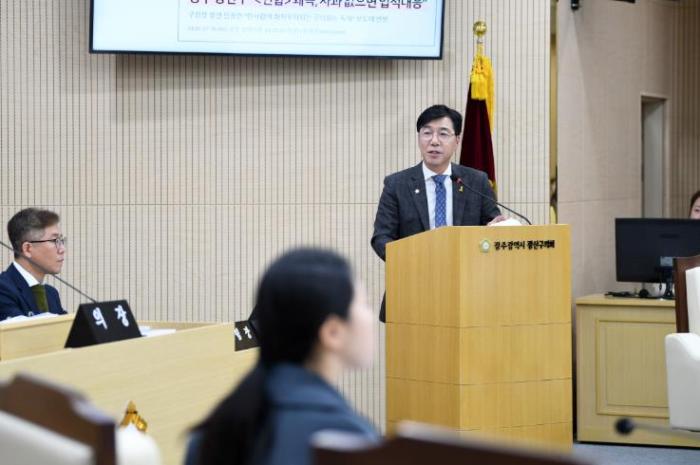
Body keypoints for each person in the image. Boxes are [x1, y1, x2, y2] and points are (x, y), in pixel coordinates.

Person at [186, 248, 378, 465]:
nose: (371, 317)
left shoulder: (211, 435)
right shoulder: (350, 441)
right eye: (365, 304)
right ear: (332, 332)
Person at [371, 104, 504, 321]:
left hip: (467, 291)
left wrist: (498, 227)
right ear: (419, 138)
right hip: (412, 291)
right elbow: (381, 237)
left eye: (443, 133)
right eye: (427, 133)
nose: (434, 141)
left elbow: (492, 226)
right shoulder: (397, 184)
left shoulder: (476, 181)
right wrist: (414, 261)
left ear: (457, 140)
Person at [0, 208, 67, 320]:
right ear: (27, 249)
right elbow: (21, 329)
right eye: (54, 241)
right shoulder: (3, 289)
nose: (62, 249)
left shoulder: (51, 294)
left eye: (61, 240)